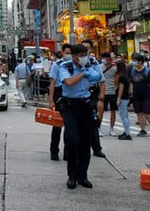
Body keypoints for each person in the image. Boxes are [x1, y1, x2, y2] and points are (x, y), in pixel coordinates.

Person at [57, 44, 102, 190]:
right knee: (71, 139)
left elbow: (98, 77)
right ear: (74, 56)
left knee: (85, 142)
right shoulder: (65, 66)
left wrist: (89, 71)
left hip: (86, 106)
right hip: (70, 107)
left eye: (86, 54)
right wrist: (83, 73)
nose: (84, 58)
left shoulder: (92, 63)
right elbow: (69, 82)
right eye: (81, 55)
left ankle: (83, 176)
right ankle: (72, 176)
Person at [49, 44, 72, 161]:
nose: (69, 55)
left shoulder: (73, 65)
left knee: (69, 126)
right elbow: (52, 83)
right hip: (59, 93)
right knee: (57, 125)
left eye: (70, 53)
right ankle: (54, 151)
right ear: (62, 53)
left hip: (70, 94)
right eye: (66, 53)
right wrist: (51, 100)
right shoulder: (56, 65)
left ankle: (68, 152)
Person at [130, 53, 150, 137]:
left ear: (141, 61)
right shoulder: (133, 71)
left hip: (146, 94)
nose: (134, 62)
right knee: (139, 112)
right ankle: (143, 130)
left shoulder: (147, 71)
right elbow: (131, 82)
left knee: (147, 112)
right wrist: (131, 91)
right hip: (136, 95)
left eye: (135, 61)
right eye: (133, 60)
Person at [100, 53, 118, 137]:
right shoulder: (100, 67)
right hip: (103, 92)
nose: (104, 60)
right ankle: (98, 128)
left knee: (113, 111)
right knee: (100, 111)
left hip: (113, 92)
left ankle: (112, 129)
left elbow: (117, 79)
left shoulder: (115, 68)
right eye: (103, 58)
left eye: (106, 58)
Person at [115, 60, 133, 140]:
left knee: (123, 116)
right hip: (126, 97)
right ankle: (126, 132)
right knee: (125, 115)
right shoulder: (126, 76)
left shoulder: (121, 77)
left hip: (122, 97)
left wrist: (118, 98)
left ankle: (127, 134)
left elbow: (120, 89)